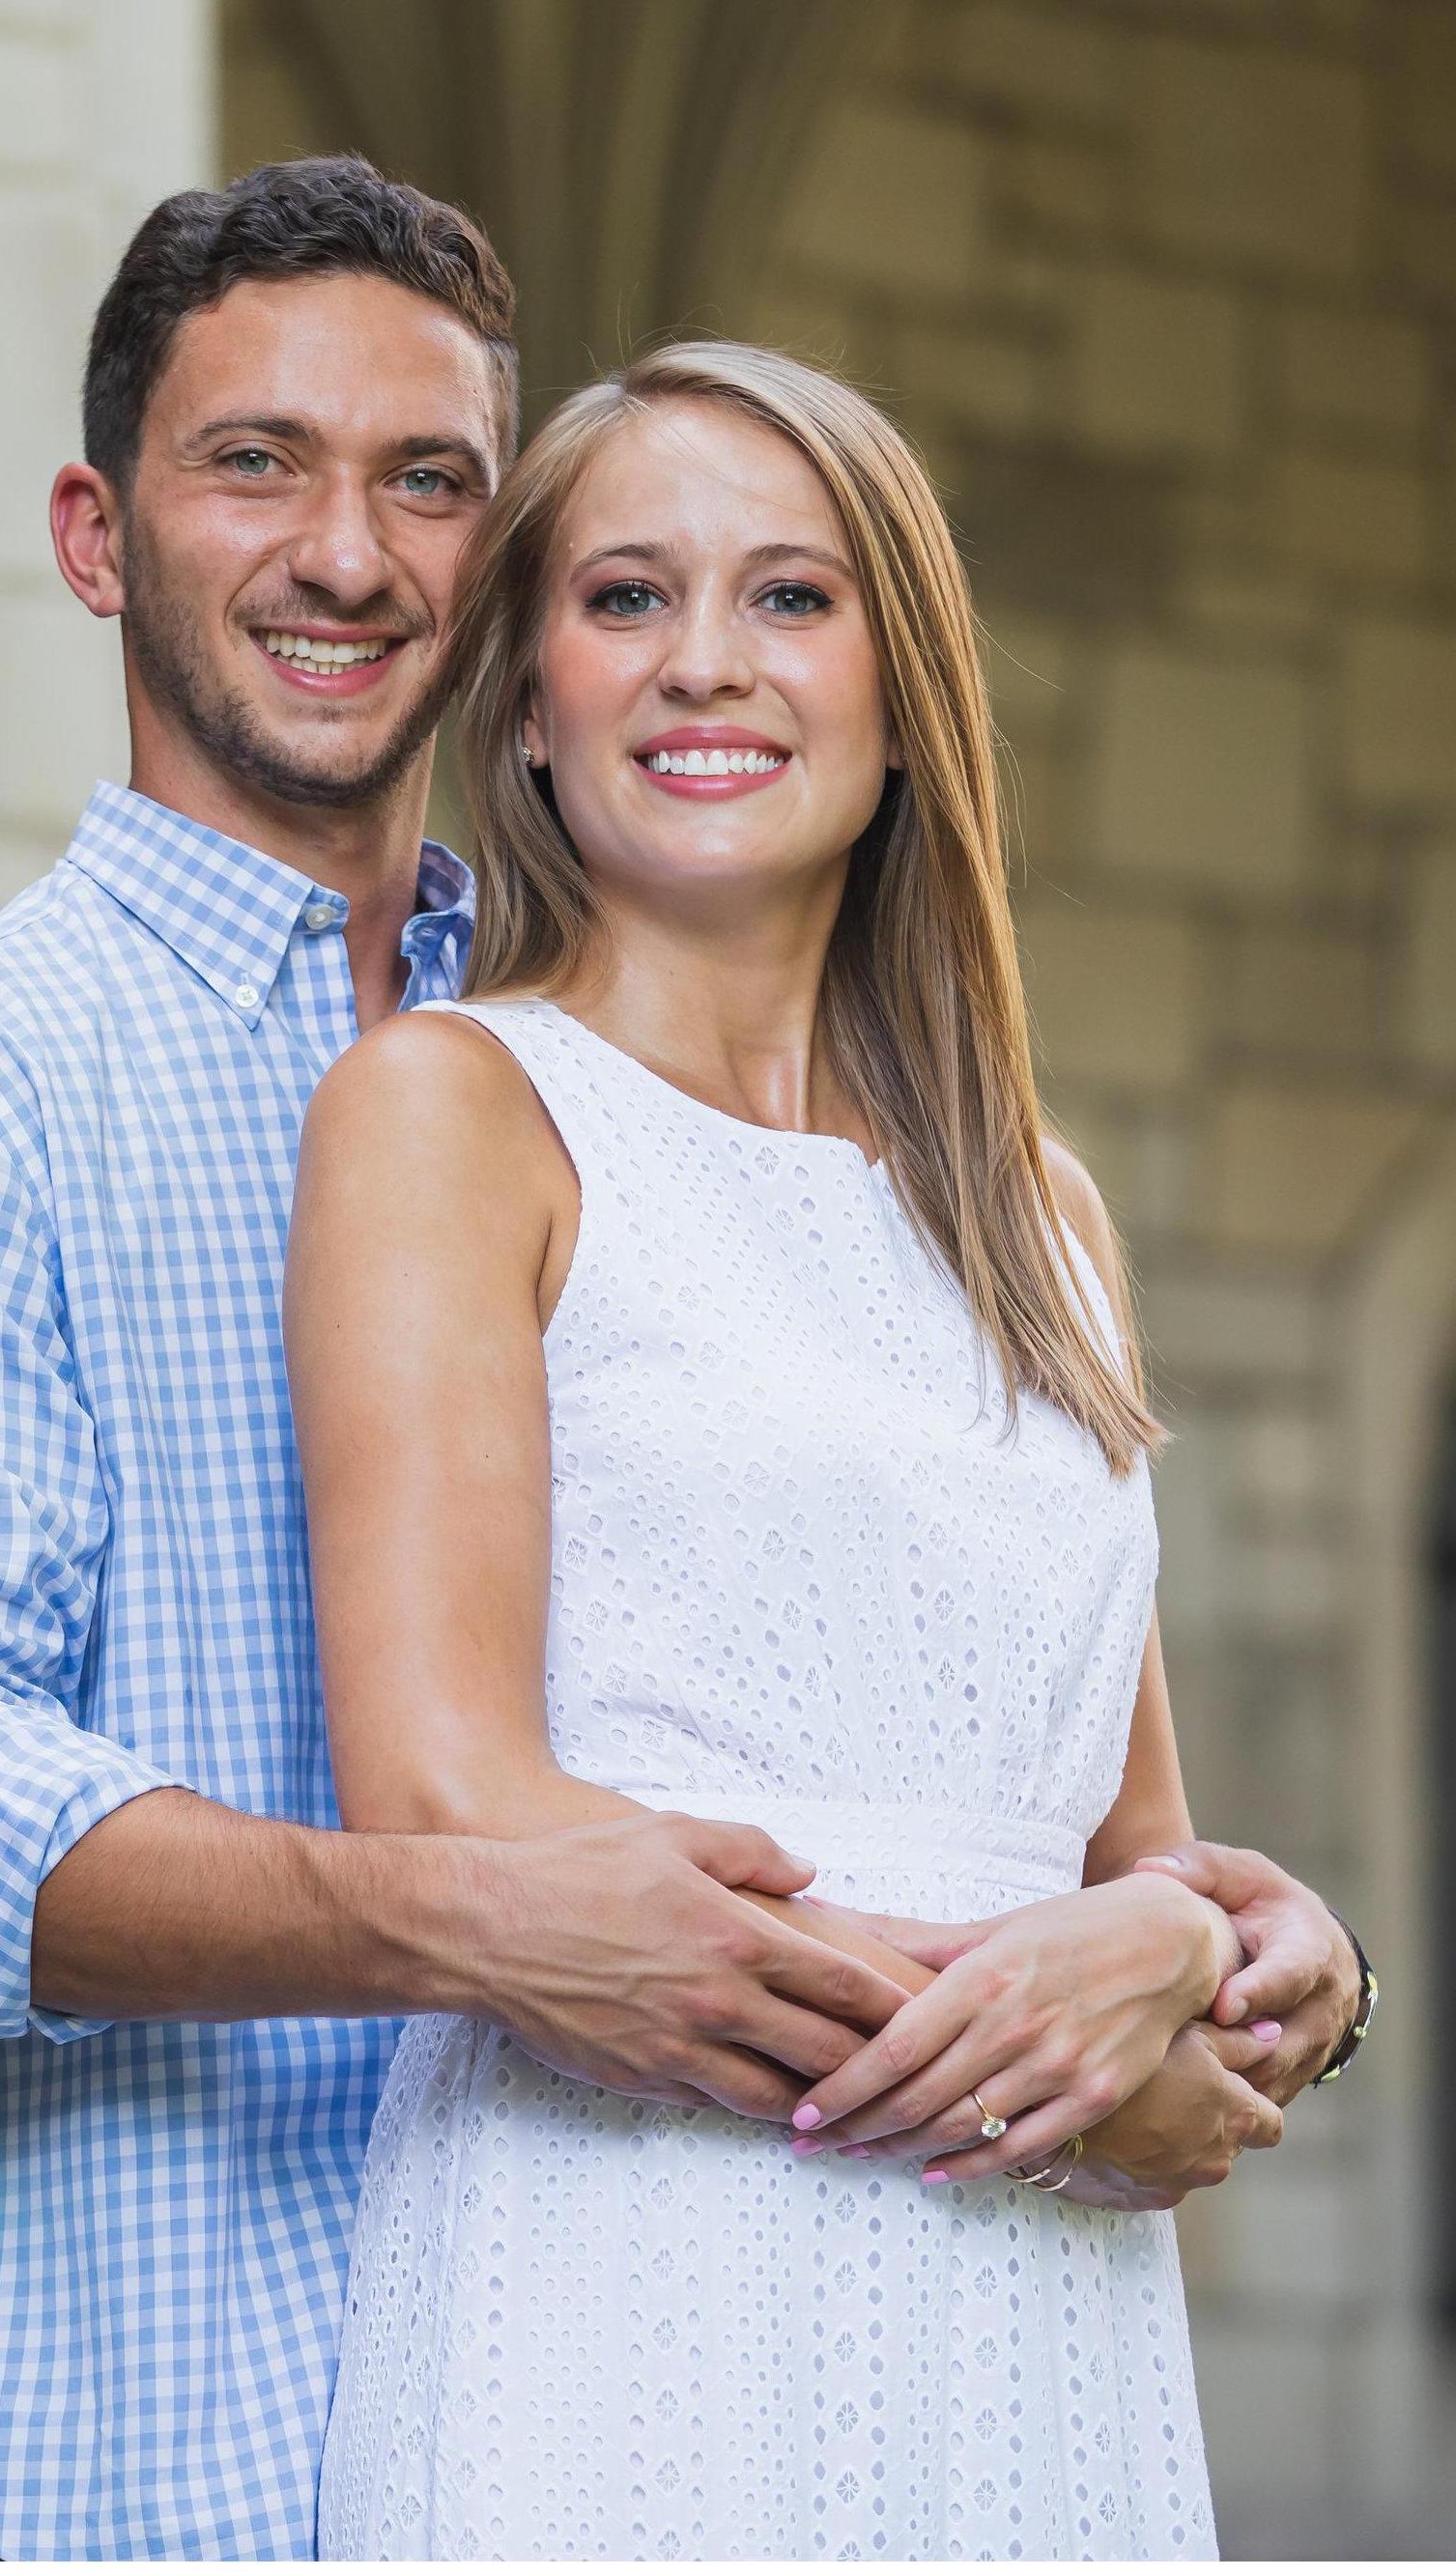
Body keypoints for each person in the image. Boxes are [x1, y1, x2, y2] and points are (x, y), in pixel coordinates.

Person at [0, 163, 1365, 2562]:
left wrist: (1224, 1949)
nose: (348, 554)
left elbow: (1034, 1774)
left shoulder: (652, 1050)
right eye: (252, 462)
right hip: (144, 2454)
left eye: (428, 482)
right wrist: (464, 1914)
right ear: (95, 535)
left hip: (838, 2325)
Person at [299, 342, 1375, 2561]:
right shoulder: (450, 1109)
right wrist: (1077, 2028)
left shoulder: (1034, 1203)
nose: (703, 661)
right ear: (519, 698)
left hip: (1041, 2326)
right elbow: (452, 1797)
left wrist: (1245, 1961)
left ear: (901, 698)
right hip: (627, 2271)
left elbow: (1123, 1841)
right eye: (620, 598)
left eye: (789, 596)